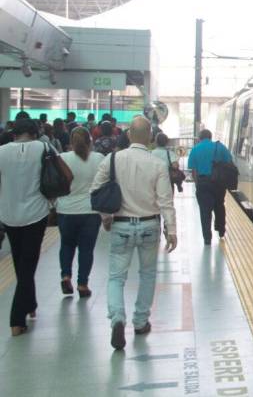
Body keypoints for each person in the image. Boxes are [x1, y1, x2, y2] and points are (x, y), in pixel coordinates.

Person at [90, 115, 177, 350]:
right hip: (149, 225)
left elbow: (95, 191)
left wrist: (105, 217)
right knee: (147, 274)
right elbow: (165, 200)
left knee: (116, 277)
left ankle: (118, 319)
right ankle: (140, 322)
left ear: (128, 135)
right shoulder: (157, 164)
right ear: (150, 137)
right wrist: (171, 230)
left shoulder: (112, 159)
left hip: (121, 225)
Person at [0, 119, 52, 336]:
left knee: (20, 262)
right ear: (34, 133)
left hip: (8, 213)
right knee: (28, 265)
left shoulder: (2, 151)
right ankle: (16, 319)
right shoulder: (44, 148)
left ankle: (30, 303)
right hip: (36, 213)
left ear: (14, 133)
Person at [56, 127, 105, 298]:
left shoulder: (62, 158)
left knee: (66, 245)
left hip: (65, 210)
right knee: (86, 249)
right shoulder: (98, 158)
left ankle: (65, 276)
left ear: (71, 141)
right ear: (90, 141)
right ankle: (82, 284)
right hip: (90, 210)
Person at [188, 129, 232, 245]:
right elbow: (229, 162)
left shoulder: (195, 149)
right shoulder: (220, 147)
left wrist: (197, 184)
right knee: (219, 206)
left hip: (203, 183)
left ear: (199, 138)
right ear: (210, 137)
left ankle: (207, 238)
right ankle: (221, 230)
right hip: (219, 183)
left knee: (205, 211)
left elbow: (193, 170)